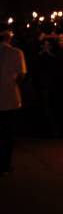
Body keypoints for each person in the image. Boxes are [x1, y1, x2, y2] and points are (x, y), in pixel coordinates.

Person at [1, 29, 27, 174]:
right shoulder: (16, 52)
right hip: (10, 98)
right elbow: (22, 75)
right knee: (7, 134)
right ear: (7, 36)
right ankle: (4, 165)